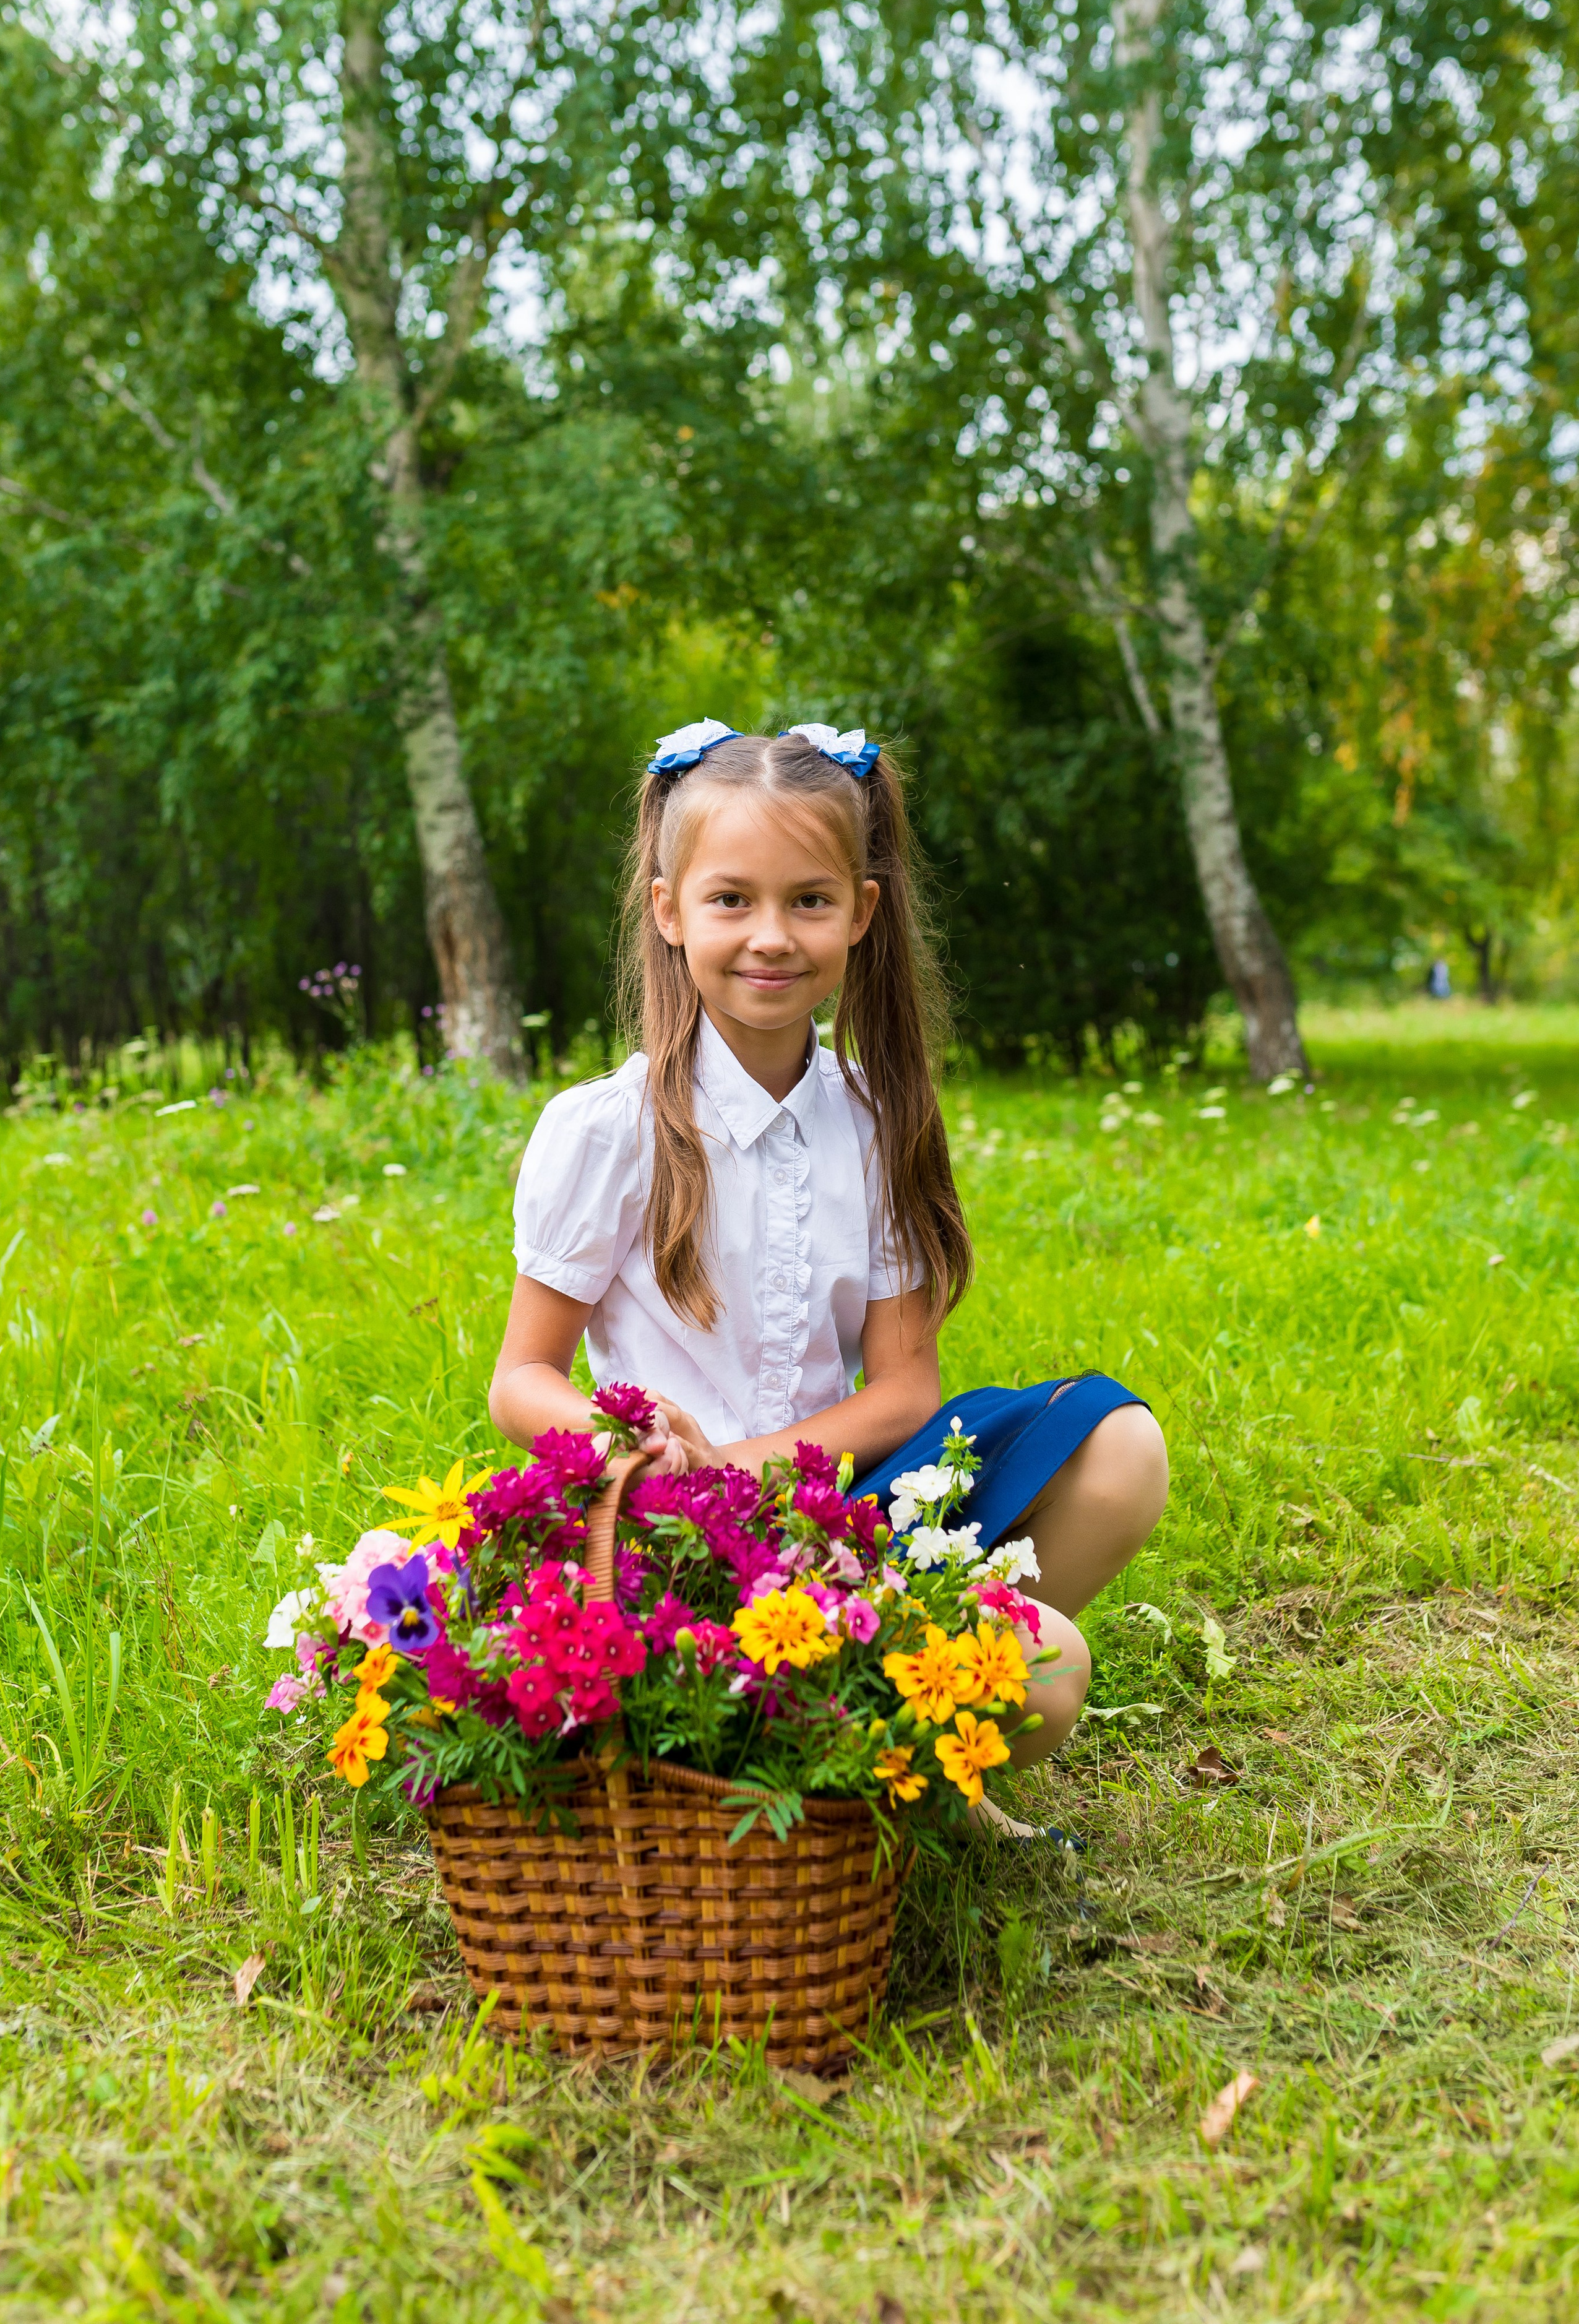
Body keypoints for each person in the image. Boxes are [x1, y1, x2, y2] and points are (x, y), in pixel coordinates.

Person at [489, 720, 1169, 1829]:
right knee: (1053, 1664)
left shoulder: (876, 1117)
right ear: (669, 912)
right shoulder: (607, 1130)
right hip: (669, 1537)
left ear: (862, 911)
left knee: (1118, 1451)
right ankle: (838, 1749)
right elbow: (523, 1378)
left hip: (840, 1512)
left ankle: (897, 1740)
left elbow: (905, 1393)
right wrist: (636, 1449)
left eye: (809, 901)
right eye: (730, 900)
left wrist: (752, 1469)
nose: (771, 936)